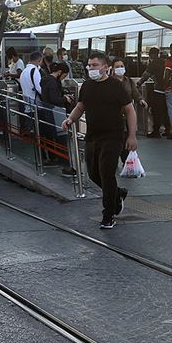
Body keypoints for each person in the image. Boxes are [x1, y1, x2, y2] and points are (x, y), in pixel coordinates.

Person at [62, 52, 137, 229]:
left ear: (105, 67)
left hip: (113, 136)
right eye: (89, 65)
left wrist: (132, 135)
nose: (91, 68)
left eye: (95, 65)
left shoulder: (116, 86)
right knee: (93, 173)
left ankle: (108, 214)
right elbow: (80, 106)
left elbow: (130, 110)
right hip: (93, 136)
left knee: (107, 173)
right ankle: (117, 193)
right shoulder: (87, 86)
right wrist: (70, 119)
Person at [39, 61, 74, 175]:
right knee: (62, 139)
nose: (64, 77)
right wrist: (65, 99)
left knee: (52, 137)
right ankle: (66, 167)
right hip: (56, 113)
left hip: (48, 112)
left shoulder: (45, 80)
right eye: (64, 75)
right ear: (59, 72)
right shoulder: (53, 82)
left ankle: (56, 160)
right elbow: (54, 99)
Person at [111, 58, 147, 163]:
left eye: (121, 66)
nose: (120, 69)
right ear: (112, 69)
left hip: (127, 115)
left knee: (126, 137)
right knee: (116, 139)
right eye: (117, 67)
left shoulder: (129, 81)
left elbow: (135, 94)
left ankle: (126, 162)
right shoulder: (109, 82)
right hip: (114, 115)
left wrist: (141, 100)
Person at [137, 48, 169, 138]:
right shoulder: (164, 61)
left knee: (156, 111)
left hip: (158, 90)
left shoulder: (154, 63)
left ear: (151, 55)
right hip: (168, 90)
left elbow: (146, 75)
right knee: (166, 110)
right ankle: (168, 129)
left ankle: (156, 131)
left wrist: (139, 83)